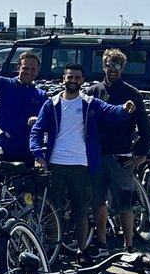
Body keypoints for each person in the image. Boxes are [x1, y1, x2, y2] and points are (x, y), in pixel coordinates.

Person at [30, 62, 134, 262]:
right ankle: (53, 250)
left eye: (77, 78)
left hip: (81, 165)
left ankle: (81, 250)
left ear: (83, 81)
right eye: (69, 77)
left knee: (81, 211)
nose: (73, 81)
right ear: (63, 79)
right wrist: (38, 155)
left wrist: (124, 109)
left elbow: (111, 111)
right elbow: (37, 131)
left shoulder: (90, 103)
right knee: (54, 209)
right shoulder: (51, 104)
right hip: (56, 164)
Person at [87, 48, 150, 253]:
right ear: (103, 66)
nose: (112, 69)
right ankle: (102, 243)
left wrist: (141, 156)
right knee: (98, 202)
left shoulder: (132, 93)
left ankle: (129, 246)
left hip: (120, 157)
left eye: (116, 66)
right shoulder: (92, 91)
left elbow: (145, 127)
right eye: (108, 65)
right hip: (97, 156)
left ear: (122, 68)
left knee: (125, 203)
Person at [0, 35, 47, 162]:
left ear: (37, 71)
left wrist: (38, 119)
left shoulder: (41, 94)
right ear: (18, 68)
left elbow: (47, 118)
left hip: (30, 150)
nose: (29, 72)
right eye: (25, 68)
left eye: (33, 69)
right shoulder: (5, 85)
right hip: (7, 149)